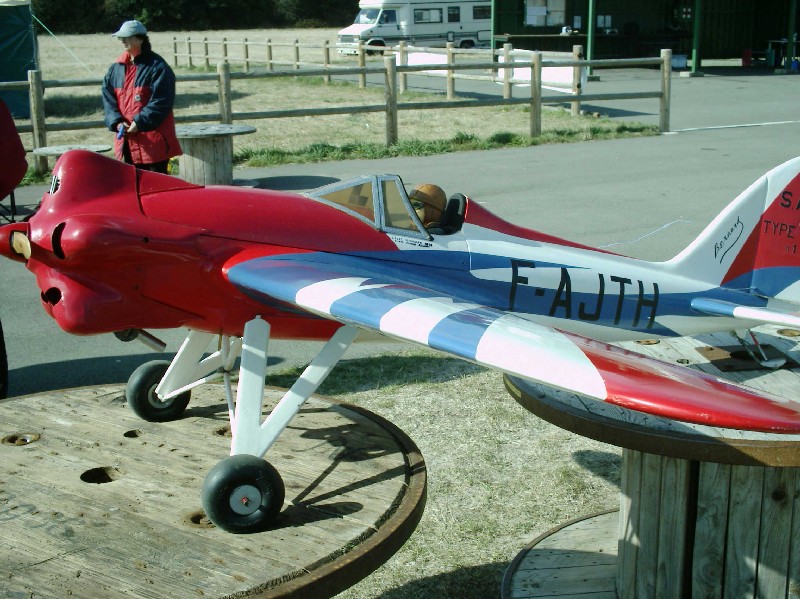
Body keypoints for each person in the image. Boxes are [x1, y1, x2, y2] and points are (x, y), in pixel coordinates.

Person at [102, 20, 181, 174]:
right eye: (121, 37)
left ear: (140, 39)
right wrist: (117, 122)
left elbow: (162, 102)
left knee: (158, 191)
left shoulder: (158, 67)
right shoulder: (115, 68)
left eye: (127, 37)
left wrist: (139, 122)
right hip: (127, 143)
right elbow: (108, 100)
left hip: (153, 145)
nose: (122, 41)